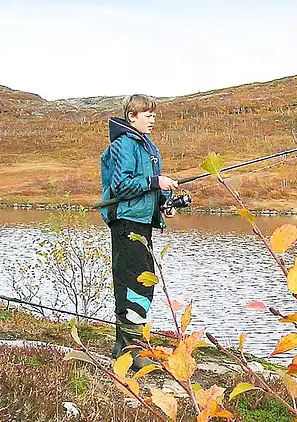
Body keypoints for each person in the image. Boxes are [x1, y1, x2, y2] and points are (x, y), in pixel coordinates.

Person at [100, 94, 178, 368]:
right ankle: (132, 350)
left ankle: (125, 347)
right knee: (135, 279)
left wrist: (164, 204)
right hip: (126, 222)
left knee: (140, 279)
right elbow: (121, 186)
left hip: (142, 221)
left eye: (153, 115)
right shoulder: (123, 145)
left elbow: (148, 189)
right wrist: (155, 180)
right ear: (132, 116)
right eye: (147, 114)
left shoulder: (149, 148)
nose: (152, 119)